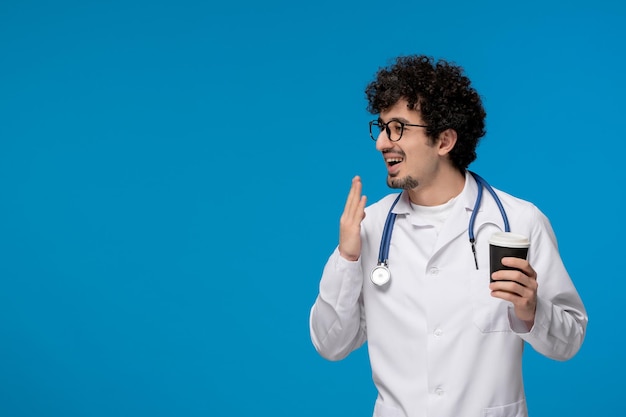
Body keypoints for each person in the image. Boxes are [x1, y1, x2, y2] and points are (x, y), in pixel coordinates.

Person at [309, 55, 587, 417]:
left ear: (444, 140)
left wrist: (533, 310)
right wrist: (347, 258)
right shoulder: (370, 226)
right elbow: (331, 346)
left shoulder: (518, 222)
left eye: (398, 128)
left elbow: (569, 342)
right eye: (380, 127)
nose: (381, 143)